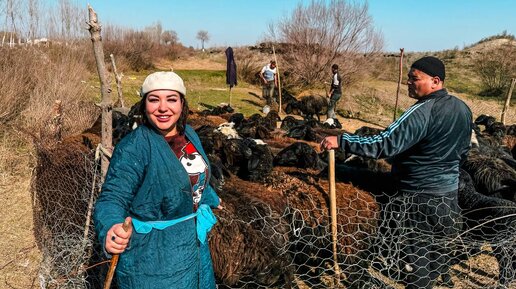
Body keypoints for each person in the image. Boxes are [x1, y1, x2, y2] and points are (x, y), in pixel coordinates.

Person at [320, 56, 472, 289]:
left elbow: (385, 143)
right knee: (435, 255)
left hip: (417, 196)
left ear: (435, 81)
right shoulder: (462, 108)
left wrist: (343, 140)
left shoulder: (423, 110)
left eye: (415, 79)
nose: (409, 83)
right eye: (409, 78)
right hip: (448, 196)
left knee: (416, 261)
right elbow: (463, 151)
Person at [94, 71, 222, 289]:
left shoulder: (189, 135)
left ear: (182, 103)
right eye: (154, 100)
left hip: (193, 246)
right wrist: (110, 228)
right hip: (153, 256)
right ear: (144, 105)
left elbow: (195, 175)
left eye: (171, 99)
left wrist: (210, 198)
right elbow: (112, 197)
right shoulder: (135, 146)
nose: (163, 108)